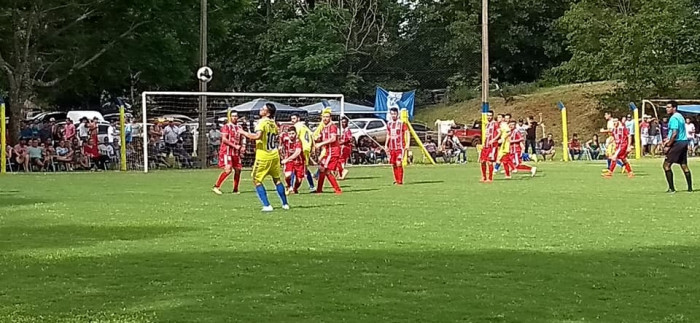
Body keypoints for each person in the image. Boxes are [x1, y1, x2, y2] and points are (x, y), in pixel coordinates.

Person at [239, 103, 289, 211]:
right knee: (277, 179)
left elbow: (257, 136)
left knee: (256, 179)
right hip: (274, 155)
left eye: (263, 109)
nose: (260, 110)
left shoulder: (262, 122)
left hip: (263, 155)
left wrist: (243, 132)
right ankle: (285, 204)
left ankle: (267, 205)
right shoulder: (273, 123)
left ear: (268, 112)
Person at [212, 112, 245, 195]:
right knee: (228, 169)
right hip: (227, 152)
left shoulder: (239, 127)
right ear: (230, 117)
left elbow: (242, 138)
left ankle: (235, 189)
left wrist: (243, 146)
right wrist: (235, 146)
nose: (234, 118)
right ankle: (216, 186)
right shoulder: (226, 127)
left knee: (238, 170)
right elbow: (224, 139)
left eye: (236, 116)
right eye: (233, 116)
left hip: (236, 153)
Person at [663, 101, 692, 193]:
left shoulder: (674, 118)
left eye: (669, 107)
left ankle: (671, 188)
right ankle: (690, 188)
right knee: (683, 165)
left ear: (674, 108)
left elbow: (675, 133)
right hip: (684, 142)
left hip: (678, 143)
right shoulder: (680, 116)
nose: (667, 109)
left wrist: (668, 144)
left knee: (666, 165)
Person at [315, 111, 343, 194]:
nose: (325, 118)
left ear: (330, 118)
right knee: (322, 169)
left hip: (333, 152)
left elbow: (333, 139)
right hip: (328, 152)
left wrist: (320, 144)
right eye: (323, 117)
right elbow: (322, 138)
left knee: (326, 170)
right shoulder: (324, 128)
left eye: (327, 117)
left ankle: (337, 190)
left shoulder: (332, 127)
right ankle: (319, 190)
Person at [385, 107, 409, 185]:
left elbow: (407, 132)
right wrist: (386, 145)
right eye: (392, 114)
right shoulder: (389, 123)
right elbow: (388, 134)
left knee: (399, 162)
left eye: (394, 114)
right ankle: (396, 179)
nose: (393, 115)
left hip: (400, 146)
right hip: (392, 147)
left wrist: (407, 143)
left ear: (397, 114)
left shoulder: (402, 123)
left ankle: (400, 181)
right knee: (393, 163)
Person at [291, 114, 315, 191]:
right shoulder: (304, 126)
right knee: (304, 168)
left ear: (298, 118)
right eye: (291, 119)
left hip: (301, 148)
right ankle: (311, 186)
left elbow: (295, 137)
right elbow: (312, 136)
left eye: (294, 118)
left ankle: (291, 187)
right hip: (307, 148)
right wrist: (312, 147)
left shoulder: (297, 126)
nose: (292, 120)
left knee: (295, 167)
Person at [281, 127, 306, 194]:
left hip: (299, 162)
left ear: (296, 134)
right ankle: (289, 186)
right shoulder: (285, 139)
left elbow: (297, 152)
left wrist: (287, 159)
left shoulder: (298, 142)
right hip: (289, 161)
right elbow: (280, 136)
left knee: (299, 180)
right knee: (288, 175)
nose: (291, 135)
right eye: (290, 134)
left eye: (293, 133)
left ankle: (295, 189)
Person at [479, 111, 499, 182]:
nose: (489, 117)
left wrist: (494, 139)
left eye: (490, 115)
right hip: (486, 146)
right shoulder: (487, 124)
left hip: (492, 146)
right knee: (482, 161)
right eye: (488, 115)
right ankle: (484, 177)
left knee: (490, 162)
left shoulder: (495, 124)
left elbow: (499, 133)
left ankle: (490, 178)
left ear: (493, 116)